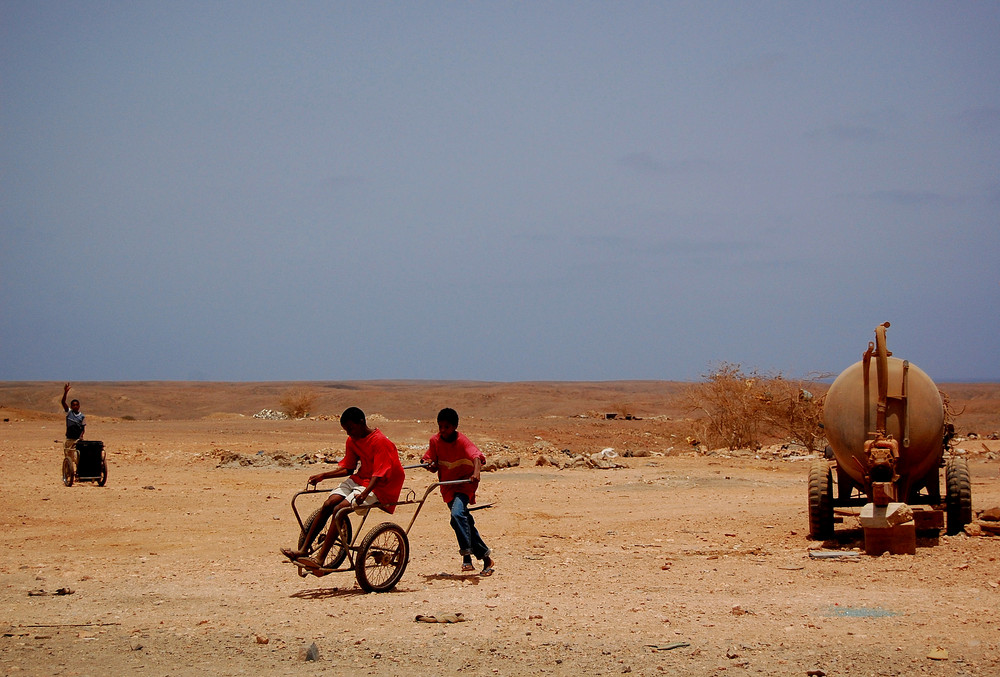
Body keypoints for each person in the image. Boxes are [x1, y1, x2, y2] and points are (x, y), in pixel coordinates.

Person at [281, 407, 405, 571]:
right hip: (361, 478)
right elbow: (348, 468)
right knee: (329, 504)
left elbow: (380, 474)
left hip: (381, 484)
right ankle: (303, 550)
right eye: (346, 430)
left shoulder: (380, 441)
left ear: (361, 423)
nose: (349, 433)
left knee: (340, 509)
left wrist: (365, 493)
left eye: (350, 428)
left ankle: (320, 558)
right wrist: (324, 475)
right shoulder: (352, 440)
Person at [422, 407, 494, 576]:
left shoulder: (462, 441)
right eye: (440, 426)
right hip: (448, 485)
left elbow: (476, 457)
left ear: (454, 426)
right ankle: (486, 559)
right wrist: (428, 464)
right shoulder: (435, 440)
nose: (442, 431)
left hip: (464, 484)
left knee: (457, 515)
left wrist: (476, 473)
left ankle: (466, 556)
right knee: (462, 521)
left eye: (446, 427)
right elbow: (430, 460)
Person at [61, 383, 85, 476]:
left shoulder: (82, 416)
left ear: (79, 406)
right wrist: (65, 392)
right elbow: (63, 402)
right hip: (69, 440)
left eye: (76, 405)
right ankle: (68, 474)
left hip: (77, 441)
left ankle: (79, 473)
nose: (75, 406)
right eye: (73, 405)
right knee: (68, 458)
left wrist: (81, 436)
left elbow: (83, 428)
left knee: (77, 458)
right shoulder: (69, 413)